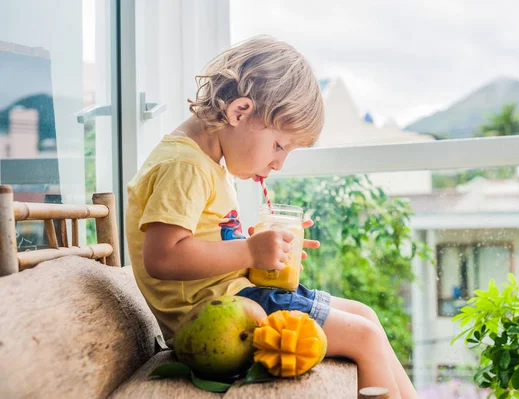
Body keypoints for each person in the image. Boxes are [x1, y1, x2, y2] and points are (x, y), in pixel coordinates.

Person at [125, 36, 417, 399]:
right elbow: (163, 257)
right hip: (223, 321)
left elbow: (201, 244)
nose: (278, 163)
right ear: (239, 112)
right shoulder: (185, 167)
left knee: (366, 315)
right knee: (365, 336)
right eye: (279, 145)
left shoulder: (202, 163)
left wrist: (265, 251)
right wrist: (249, 251)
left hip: (237, 300)